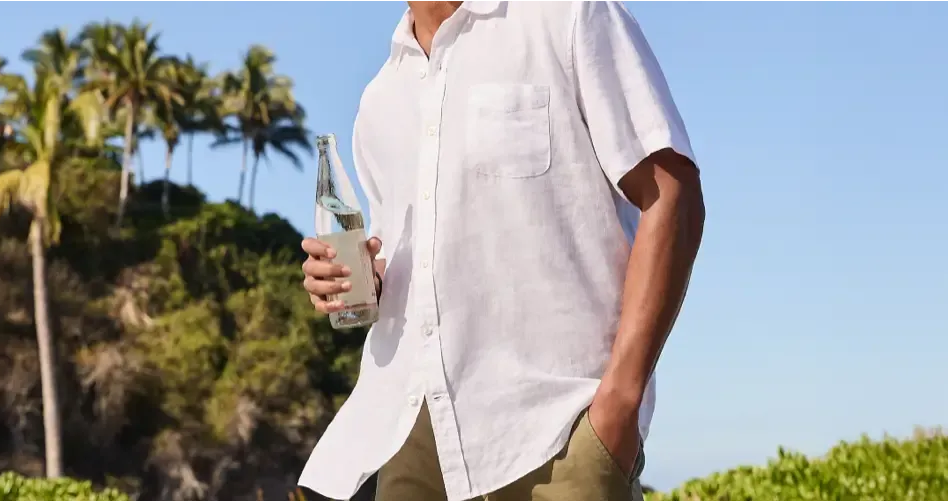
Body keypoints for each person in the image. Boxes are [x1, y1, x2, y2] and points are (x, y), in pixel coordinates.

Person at [297, 0, 705, 500]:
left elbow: (673, 193)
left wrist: (619, 402)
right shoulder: (379, 99)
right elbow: (414, 257)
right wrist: (365, 280)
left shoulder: (566, 15)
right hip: (413, 437)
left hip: (558, 434)